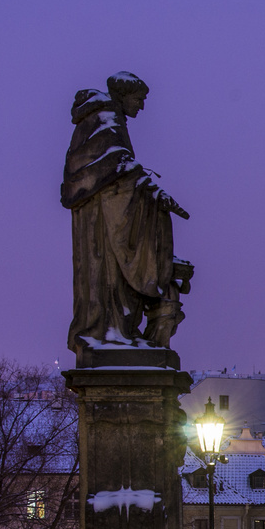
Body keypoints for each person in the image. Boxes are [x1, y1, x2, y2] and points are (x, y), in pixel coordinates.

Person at [62, 72, 191, 353]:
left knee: (118, 281)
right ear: (123, 96)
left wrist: (145, 187)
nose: (142, 106)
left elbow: (119, 167)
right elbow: (96, 168)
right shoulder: (102, 122)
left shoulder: (113, 122)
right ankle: (107, 331)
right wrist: (140, 180)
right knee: (106, 277)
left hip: (116, 216)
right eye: (139, 99)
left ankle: (120, 331)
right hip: (101, 223)